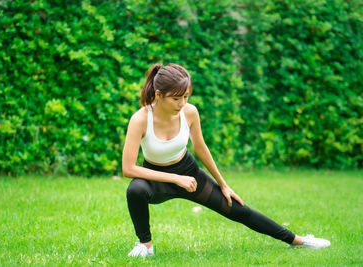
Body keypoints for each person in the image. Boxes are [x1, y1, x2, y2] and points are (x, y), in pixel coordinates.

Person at [122, 63, 330, 257]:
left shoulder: (189, 113)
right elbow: (128, 168)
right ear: (159, 95)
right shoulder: (140, 119)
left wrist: (223, 184)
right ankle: (145, 245)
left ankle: (297, 240)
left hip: (189, 172)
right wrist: (175, 179)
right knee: (135, 189)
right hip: (156, 180)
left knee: (239, 210)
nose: (182, 103)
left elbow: (201, 149)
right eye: (176, 99)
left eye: (186, 96)